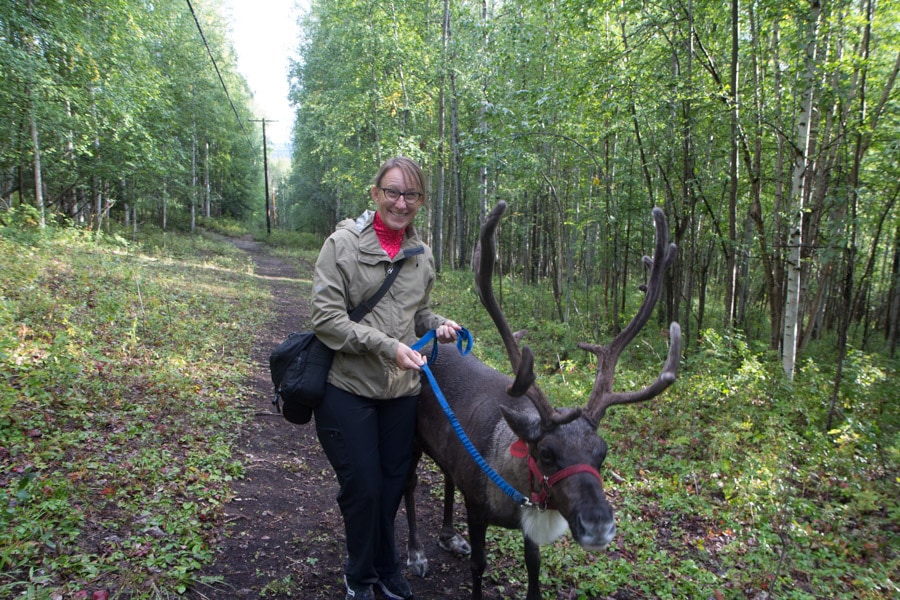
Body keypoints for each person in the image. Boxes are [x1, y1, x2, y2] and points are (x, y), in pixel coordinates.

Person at [310, 156, 462, 600]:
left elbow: (417, 316)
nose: (401, 202)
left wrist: (438, 325)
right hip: (348, 388)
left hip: (401, 392)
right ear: (375, 194)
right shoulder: (340, 245)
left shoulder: (421, 255)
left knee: (394, 484)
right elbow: (326, 319)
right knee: (364, 487)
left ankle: (386, 566)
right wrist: (387, 347)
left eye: (411, 194)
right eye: (393, 192)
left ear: (421, 201)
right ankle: (359, 576)